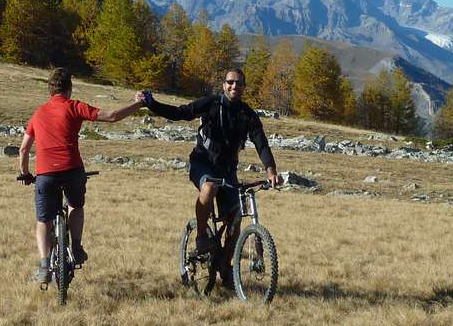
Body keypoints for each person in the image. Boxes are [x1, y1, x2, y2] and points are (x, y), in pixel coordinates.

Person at [139, 68, 282, 289]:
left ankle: (226, 268)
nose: (234, 86)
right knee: (208, 188)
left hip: (227, 170)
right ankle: (202, 234)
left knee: (235, 221)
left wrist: (271, 171)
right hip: (202, 162)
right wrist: (152, 103)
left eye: (239, 83)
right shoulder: (212, 104)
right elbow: (181, 113)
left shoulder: (247, 114)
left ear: (244, 87)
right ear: (224, 84)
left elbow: (261, 142)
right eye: (230, 82)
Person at [17, 67, 144, 284]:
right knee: (75, 205)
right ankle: (76, 246)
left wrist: (26, 173)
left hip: (45, 174)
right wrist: (138, 103)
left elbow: (24, 150)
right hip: (72, 170)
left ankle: (45, 265)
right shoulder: (74, 106)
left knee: (43, 221)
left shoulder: (38, 113)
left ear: (50, 91)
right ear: (69, 89)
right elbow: (112, 116)